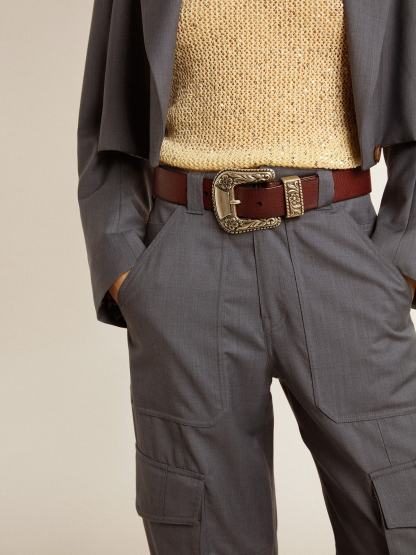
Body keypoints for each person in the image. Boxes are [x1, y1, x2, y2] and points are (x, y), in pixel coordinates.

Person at [77, 1, 416, 553]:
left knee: (399, 511)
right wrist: (123, 266)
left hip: (343, 255)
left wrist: (402, 267)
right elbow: (108, 108)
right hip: (187, 261)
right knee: (199, 526)